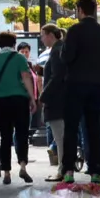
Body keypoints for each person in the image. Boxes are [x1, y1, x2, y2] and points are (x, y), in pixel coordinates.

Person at [60, 0, 100, 182]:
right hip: (97, 86)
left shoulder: (74, 31)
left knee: (71, 128)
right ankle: (96, 171)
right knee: (93, 129)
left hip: (75, 85)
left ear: (80, 10)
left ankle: (68, 171)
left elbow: (67, 57)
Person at [0, 31, 36, 185]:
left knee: (5, 137)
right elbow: (26, 78)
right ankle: (22, 166)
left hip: (0, 102)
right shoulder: (19, 58)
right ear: (14, 44)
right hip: (19, 100)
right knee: (22, 134)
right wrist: (32, 98)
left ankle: (6, 171)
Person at [38, 24, 68, 174]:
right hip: (62, 99)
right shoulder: (59, 49)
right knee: (61, 137)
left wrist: (43, 96)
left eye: (43, 35)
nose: (42, 39)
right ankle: (63, 168)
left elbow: (57, 76)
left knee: (60, 137)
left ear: (50, 35)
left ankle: (63, 169)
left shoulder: (56, 51)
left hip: (57, 101)